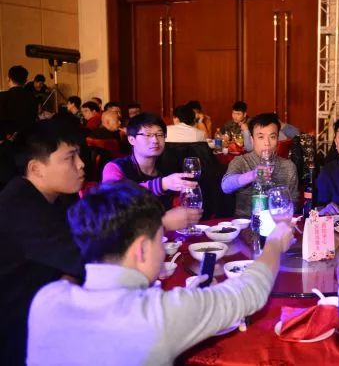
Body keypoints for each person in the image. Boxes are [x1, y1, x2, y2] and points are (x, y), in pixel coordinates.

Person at [27, 181, 295, 365]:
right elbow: (250, 292)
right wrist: (274, 243)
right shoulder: (156, 315)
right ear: (142, 249)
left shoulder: (46, 300)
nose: (162, 248)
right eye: (160, 240)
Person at [0, 120, 85, 365]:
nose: (81, 164)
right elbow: (86, 260)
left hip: (42, 312)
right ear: (36, 168)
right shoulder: (21, 207)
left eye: (79, 155)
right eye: (70, 158)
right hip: (19, 337)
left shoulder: (55, 197)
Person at [102, 112, 200, 217]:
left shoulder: (167, 168)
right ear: (131, 140)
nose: (155, 140)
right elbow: (114, 202)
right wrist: (162, 184)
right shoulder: (115, 167)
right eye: (148, 135)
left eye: (160, 134)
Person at [222, 113, 298, 217]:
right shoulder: (241, 161)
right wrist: (253, 175)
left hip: (278, 222)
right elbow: (226, 186)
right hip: (247, 222)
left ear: (277, 140)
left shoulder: (288, 166)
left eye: (272, 137)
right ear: (252, 140)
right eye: (261, 137)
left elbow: (293, 204)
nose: (267, 143)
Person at [0, 65, 38, 134]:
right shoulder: (32, 98)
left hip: (6, 137)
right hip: (28, 137)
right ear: (26, 81)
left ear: (8, 78)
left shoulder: (2, 97)